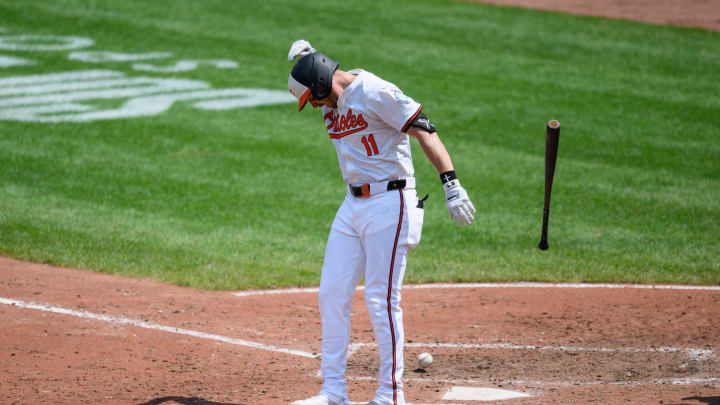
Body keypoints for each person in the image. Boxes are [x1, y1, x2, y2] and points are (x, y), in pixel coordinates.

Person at [286, 40, 475, 405]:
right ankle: (334, 393)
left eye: (312, 97)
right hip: (352, 204)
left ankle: (390, 396)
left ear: (323, 82)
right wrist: (306, 56)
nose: (313, 105)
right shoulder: (331, 98)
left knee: (380, 298)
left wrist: (451, 183)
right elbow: (318, 70)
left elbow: (424, 127)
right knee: (332, 294)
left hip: (391, 201)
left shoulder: (375, 91)